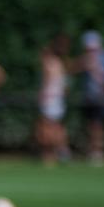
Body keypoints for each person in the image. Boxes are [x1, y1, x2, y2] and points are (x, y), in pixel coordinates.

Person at [74, 30, 104, 164]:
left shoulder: (103, 58)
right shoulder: (87, 58)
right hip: (89, 97)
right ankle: (92, 150)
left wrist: (94, 69)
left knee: (97, 125)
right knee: (91, 125)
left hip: (99, 97)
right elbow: (74, 68)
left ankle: (98, 152)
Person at [37, 35, 70, 165]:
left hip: (50, 98)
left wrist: (42, 95)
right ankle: (62, 150)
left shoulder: (49, 63)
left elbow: (46, 81)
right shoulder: (60, 63)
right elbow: (65, 85)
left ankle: (49, 154)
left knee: (46, 126)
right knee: (57, 126)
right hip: (58, 98)